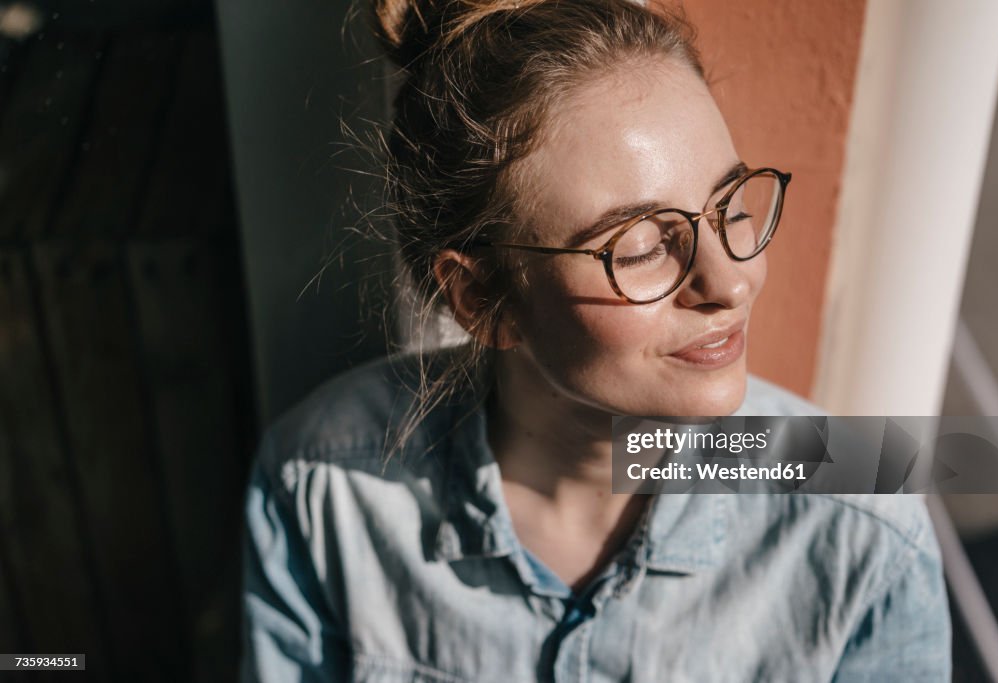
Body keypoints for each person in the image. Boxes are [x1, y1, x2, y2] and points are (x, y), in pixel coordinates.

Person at [240, 0, 952, 680]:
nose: (732, 282)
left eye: (729, 205)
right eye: (640, 246)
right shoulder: (324, 490)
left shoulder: (862, 516)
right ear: (483, 296)